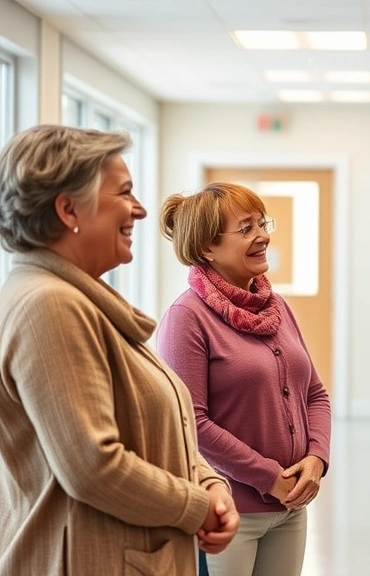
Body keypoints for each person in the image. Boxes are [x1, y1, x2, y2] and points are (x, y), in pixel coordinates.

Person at [0, 125, 238, 575]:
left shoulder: (76, 297)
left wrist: (209, 480)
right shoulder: (49, 305)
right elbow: (94, 465)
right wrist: (196, 505)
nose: (142, 209)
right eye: (125, 192)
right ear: (68, 209)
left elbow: (152, 427)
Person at [157, 183, 332, 576]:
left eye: (262, 223)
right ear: (207, 248)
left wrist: (316, 459)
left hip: (290, 508)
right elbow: (192, 424)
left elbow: (315, 394)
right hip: (227, 512)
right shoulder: (187, 318)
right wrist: (270, 478)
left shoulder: (278, 307)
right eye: (246, 228)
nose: (263, 236)